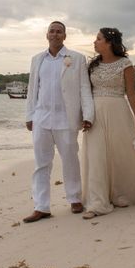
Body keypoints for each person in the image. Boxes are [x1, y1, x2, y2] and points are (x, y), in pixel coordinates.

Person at [81, 27, 135, 219]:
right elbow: (84, 92)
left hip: (118, 111)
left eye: (98, 39)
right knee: (96, 156)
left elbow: (131, 93)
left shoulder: (125, 64)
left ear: (109, 43)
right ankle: (97, 203)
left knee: (119, 155)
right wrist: (83, 115)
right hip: (95, 114)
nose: (94, 42)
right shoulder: (91, 65)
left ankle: (120, 194)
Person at [23, 21, 94, 223]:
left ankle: (74, 198)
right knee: (41, 164)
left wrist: (87, 115)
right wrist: (30, 116)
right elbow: (32, 90)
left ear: (64, 36)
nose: (54, 34)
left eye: (59, 31)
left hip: (66, 119)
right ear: (47, 35)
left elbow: (84, 90)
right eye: (51, 31)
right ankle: (41, 207)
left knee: (70, 159)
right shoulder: (37, 59)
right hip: (42, 118)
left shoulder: (77, 59)